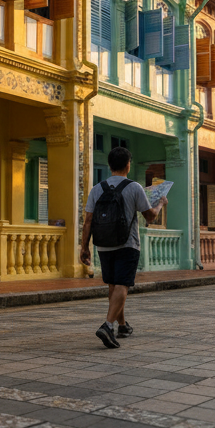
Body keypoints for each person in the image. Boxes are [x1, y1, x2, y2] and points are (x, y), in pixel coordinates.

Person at [79, 146, 164, 349]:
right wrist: (160, 203)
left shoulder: (97, 188)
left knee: (114, 285)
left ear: (110, 166)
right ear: (128, 165)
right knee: (123, 285)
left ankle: (123, 325)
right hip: (127, 244)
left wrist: (84, 247)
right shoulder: (134, 187)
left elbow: (88, 221)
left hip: (104, 245)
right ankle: (108, 326)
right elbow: (150, 216)